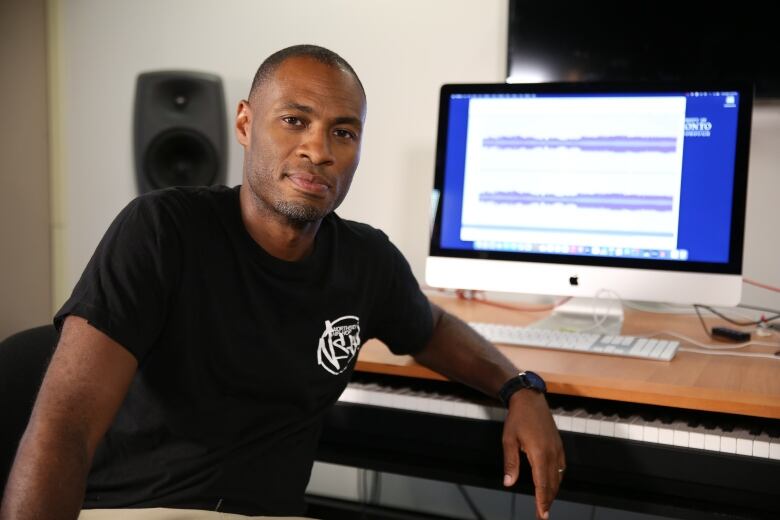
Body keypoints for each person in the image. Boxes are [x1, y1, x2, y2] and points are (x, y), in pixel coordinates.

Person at [0, 45, 564, 520]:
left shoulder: (366, 259)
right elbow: (64, 427)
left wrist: (520, 388)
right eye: (294, 121)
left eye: (342, 132)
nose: (318, 150)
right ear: (245, 124)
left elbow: (432, 327)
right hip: (139, 509)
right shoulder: (162, 230)